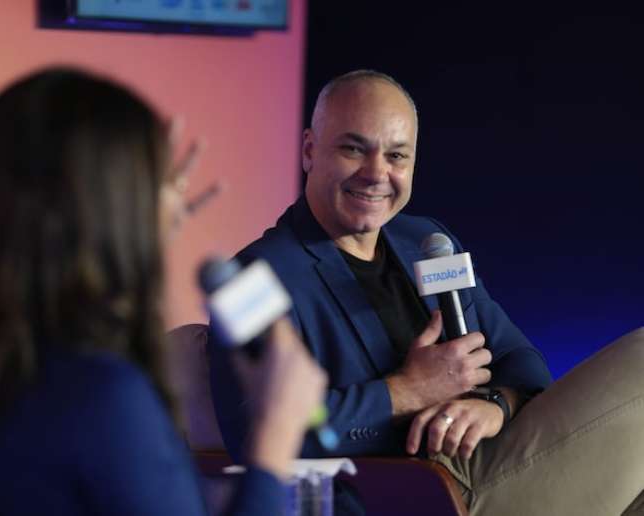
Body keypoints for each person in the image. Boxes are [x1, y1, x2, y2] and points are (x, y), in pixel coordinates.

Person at [208, 69, 644, 515]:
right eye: (354, 149)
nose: (377, 173)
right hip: (417, 493)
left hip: (491, 460)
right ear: (309, 150)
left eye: (397, 155)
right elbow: (263, 437)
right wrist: (406, 392)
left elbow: (523, 362)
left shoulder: (427, 241)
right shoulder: (251, 279)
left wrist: (496, 404)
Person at [0, 67, 327, 516]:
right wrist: (275, 434)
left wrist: (139, 242)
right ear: (115, 215)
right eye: (146, 188)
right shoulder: (104, 401)